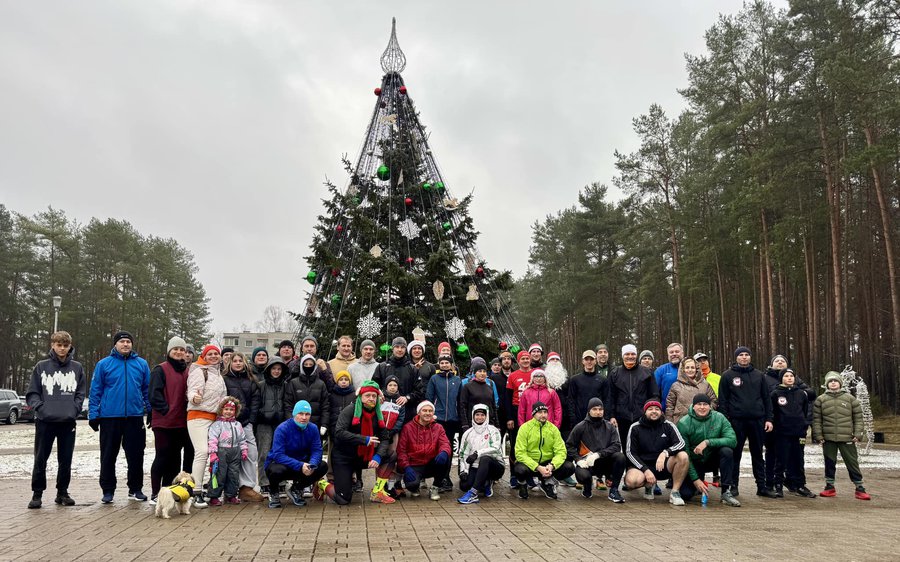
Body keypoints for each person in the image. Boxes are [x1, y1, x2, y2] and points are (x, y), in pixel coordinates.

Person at [89, 330, 151, 504]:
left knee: (136, 455)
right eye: (122, 342)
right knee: (108, 455)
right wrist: (94, 414)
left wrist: (150, 410)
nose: (125, 344)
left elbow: (146, 390)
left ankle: (135, 488)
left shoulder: (141, 364)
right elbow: (96, 391)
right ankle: (108, 490)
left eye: (128, 342)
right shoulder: (104, 364)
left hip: (134, 416)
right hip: (110, 417)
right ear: (115, 344)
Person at [26, 330, 86, 509]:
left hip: (67, 422)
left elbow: (80, 393)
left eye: (65, 345)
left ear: (70, 347)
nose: (62, 348)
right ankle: (37, 493)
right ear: (52, 345)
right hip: (45, 421)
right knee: (40, 458)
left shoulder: (77, 368)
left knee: (65, 459)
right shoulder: (41, 366)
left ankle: (62, 492)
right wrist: (40, 408)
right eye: (59, 345)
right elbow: (33, 392)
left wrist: (74, 409)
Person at [322, 381, 396, 504]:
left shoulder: (378, 414)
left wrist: (378, 456)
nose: (371, 399)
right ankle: (322, 484)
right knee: (343, 499)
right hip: (344, 457)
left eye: (374, 396)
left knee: (391, 455)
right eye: (367, 395)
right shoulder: (349, 410)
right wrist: (364, 439)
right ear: (361, 397)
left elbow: (384, 438)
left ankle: (377, 492)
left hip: (363, 456)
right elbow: (339, 433)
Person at [717, 346, 776, 498]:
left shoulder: (759, 375)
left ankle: (761, 487)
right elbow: (722, 400)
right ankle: (733, 485)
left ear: (750, 357)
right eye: (741, 355)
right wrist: (726, 420)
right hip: (736, 421)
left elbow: (766, 399)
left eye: (746, 355)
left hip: (757, 420)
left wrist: (769, 419)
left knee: (757, 454)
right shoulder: (727, 375)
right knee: (735, 455)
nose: (744, 357)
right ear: (736, 357)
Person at [148, 336, 193, 504]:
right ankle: (155, 492)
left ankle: (169, 491)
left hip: (182, 423)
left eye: (182, 350)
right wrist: (166, 410)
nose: (179, 352)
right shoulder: (160, 369)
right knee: (162, 457)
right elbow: (154, 394)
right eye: (175, 349)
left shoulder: (188, 371)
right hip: (164, 423)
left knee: (175, 460)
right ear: (169, 351)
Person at [675, 394, 740, 506]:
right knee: (686, 494)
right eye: (699, 404)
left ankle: (725, 492)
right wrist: (696, 480)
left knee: (727, 451)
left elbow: (732, 440)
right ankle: (697, 486)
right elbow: (685, 454)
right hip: (695, 462)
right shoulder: (684, 423)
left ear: (710, 406)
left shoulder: (719, 418)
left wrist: (708, 442)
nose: (702, 407)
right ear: (693, 406)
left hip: (712, 459)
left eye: (705, 404)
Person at [812, 371, 869, 500]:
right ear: (827, 384)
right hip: (828, 438)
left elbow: (859, 419)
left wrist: (859, 434)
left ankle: (859, 488)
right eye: (830, 381)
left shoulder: (850, 399)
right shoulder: (820, 400)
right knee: (829, 462)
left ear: (840, 383)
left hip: (847, 438)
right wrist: (818, 435)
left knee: (852, 462)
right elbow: (816, 420)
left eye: (835, 381)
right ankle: (829, 487)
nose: (833, 383)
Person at [265, 400, 330, 508]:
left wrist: (312, 464)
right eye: (301, 414)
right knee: (275, 471)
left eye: (307, 414)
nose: (304, 417)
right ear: (294, 414)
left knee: (322, 466)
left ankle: (297, 489)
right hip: (282, 464)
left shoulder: (313, 428)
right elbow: (278, 454)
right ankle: (273, 492)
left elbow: (317, 450)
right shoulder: (282, 429)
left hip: (303, 464)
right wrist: (300, 465)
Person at [623, 400, 690, 505]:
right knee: (631, 481)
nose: (654, 411)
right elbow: (630, 453)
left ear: (661, 412)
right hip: (643, 467)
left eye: (657, 409)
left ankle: (675, 492)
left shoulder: (669, 425)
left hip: (663, 465)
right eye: (650, 409)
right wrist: (645, 470)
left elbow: (681, 444)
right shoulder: (635, 427)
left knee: (683, 456)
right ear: (645, 412)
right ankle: (649, 486)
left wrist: (665, 453)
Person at [186, 344, 228, 507]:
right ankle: (195, 491)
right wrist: (194, 397)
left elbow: (222, 397)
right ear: (203, 356)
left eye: (216, 354)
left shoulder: (218, 375)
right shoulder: (199, 371)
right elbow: (192, 390)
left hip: (214, 418)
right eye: (209, 354)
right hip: (198, 416)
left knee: (212, 453)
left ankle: (207, 488)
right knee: (202, 451)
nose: (213, 356)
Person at [285, 353, 330, 497]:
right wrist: (290, 422)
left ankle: (306, 484)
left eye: (311, 364)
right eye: (306, 364)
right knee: (297, 453)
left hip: (315, 426)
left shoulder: (321, 384)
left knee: (313, 455)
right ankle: (296, 482)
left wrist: (324, 423)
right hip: (296, 426)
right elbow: (288, 404)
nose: (309, 367)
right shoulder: (294, 383)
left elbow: (325, 406)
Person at [566, 398, 626, 503]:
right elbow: (569, 446)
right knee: (584, 476)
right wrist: (578, 460)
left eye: (600, 409)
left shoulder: (609, 426)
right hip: (587, 464)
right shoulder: (580, 426)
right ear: (589, 410)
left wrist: (598, 454)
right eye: (594, 409)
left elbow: (617, 445)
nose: (598, 412)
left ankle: (614, 490)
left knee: (620, 457)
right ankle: (587, 486)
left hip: (605, 462)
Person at [222, 352, 263, 502]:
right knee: (230, 455)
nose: (238, 363)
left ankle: (247, 487)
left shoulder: (251, 380)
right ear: (230, 363)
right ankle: (230, 488)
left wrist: (250, 420)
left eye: (241, 361)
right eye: (235, 361)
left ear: (245, 363)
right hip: (228, 424)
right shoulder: (224, 379)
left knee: (251, 453)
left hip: (246, 423)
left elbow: (255, 402)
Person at [513, 402, 575, 500]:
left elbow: (561, 451)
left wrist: (552, 465)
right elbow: (520, 453)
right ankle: (522, 484)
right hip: (530, 464)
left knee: (569, 467)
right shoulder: (524, 428)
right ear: (533, 414)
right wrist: (537, 467)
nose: (543, 415)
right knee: (519, 469)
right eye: (540, 412)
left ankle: (548, 483)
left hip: (547, 463)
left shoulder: (553, 429)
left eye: (545, 412)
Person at [771, 369, 816, 498]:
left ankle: (800, 485)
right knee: (781, 459)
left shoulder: (801, 394)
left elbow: (804, 410)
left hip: (799, 432)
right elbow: (773, 413)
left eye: (792, 376)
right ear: (781, 378)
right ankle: (778, 485)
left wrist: (803, 426)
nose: (789, 378)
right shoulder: (775, 394)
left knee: (798, 459)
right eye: (786, 376)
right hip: (782, 432)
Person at [397, 401, 452, 501]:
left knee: (446, 458)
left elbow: (445, 443)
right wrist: (406, 467)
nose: (428, 413)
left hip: (431, 463)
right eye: (424, 410)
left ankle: (435, 487)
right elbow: (401, 451)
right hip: (414, 464)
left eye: (430, 411)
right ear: (419, 412)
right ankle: (415, 488)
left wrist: (444, 452)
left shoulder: (438, 427)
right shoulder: (408, 428)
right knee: (412, 484)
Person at [607, 344, 660, 445]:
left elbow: (654, 395)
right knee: (624, 445)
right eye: (627, 354)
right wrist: (612, 416)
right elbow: (610, 397)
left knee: (643, 445)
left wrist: (650, 412)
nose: (630, 356)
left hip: (642, 417)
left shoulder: (647, 372)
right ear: (623, 356)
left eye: (633, 354)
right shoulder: (615, 373)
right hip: (621, 419)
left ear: (636, 355)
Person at [457, 404, 505, 504]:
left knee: (485, 459)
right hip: (475, 466)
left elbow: (495, 448)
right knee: (464, 485)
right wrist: (464, 470)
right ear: (473, 416)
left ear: (486, 416)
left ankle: (473, 494)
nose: (479, 417)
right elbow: (463, 454)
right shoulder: (468, 433)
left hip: (495, 466)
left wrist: (477, 453)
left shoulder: (493, 430)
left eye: (482, 415)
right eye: (477, 415)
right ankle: (485, 483)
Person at [207, 397, 250, 505]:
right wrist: (213, 453)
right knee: (219, 474)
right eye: (226, 409)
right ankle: (214, 496)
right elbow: (212, 439)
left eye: (231, 410)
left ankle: (231, 495)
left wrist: (244, 450)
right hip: (221, 451)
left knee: (233, 474)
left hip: (235, 452)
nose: (228, 412)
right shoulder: (217, 425)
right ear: (221, 410)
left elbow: (242, 439)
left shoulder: (238, 425)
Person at [255, 357, 288, 495]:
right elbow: (256, 403)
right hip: (264, 424)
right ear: (269, 370)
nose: (276, 371)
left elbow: (288, 403)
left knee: (280, 453)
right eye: (274, 368)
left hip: (280, 424)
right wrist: (261, 415)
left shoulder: (286, 385)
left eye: (279, 369)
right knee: (264, 453)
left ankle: (280, 481)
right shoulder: (261, 385)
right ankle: (264, 482)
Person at [373, 336, 424, 422]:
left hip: (406, 414)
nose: (400, 350)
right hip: (384, 413)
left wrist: (407, 397)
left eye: (402, 347)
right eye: (397, 347)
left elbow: (419, 391)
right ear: (392, 348)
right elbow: (373, 385)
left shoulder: (412, 369)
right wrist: (378, 393)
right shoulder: (382, 367)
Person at [426, 354, 462, 471]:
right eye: (442, 363)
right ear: (439, 364)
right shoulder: (434, 379)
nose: (444, 365)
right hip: (438, 418)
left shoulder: (457, 380)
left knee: (448, 447)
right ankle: (437, 475)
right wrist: (430, 416)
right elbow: (429, 399)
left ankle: (446, 476)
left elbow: (460, 400)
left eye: (447, 363)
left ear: (451, 365)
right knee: (436, 447)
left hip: (452, 419)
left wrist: (459, 417)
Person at [505, 350, 533, 488]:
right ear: (518, 361)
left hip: (532, 412)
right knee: (516, 444)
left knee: (531, 444)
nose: (526, 361)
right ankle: (514, 475)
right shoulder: (513, 376)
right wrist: (510, 417)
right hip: (517, 410)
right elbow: (508, 398)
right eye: (523, 359)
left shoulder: (535, 374)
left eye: (527, 358)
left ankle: (529, 475)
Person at [665, 357, 717, 424]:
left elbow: (714, 401)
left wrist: (705, 411)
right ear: (683, 369)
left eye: (692, 367)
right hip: (681, 423)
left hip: (703, 423)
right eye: (687, 367)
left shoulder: (705, 384)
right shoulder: (676, 386)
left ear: (696, 369)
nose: (690, 370)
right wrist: (670, 424)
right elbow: (669, 406)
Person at [567, 350, 610, 427]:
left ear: (595, 361)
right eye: (586, 359)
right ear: (583, 361)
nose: (589, 362)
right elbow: (571, 400)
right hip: (579, 420)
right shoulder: (575, 379)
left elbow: (606, 400)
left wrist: (605, 418)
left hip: (598, 419)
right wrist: (572, 419)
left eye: (591, 359)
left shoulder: (602, 380)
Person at [381, 375, 407, 497]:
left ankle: (391, 484)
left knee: (392, 456)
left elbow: (401, 418)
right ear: (386, 386)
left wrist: (393, 431)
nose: (392, 387)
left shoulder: (400, 401)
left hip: (394, 433)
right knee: (381, 456)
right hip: (380, 432)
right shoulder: (381, 399)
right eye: (390, 385)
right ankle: (380, 484)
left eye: (395, 385)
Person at [458, 357, 498, 430]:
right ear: (475, 373)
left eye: (484, 371)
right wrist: (465, 424)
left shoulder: (489, 387)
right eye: (479, 371)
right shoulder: (467, 386)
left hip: (488, 423)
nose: (482, 373)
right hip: (472, 424)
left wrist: (496, 424)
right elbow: (463, 406)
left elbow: (493, 407)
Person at [654, 342, 683, 410]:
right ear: (668, 354)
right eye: (671, 352)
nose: (674, 354)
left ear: (682, 353)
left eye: (677, 351)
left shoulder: (690, 368)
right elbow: (654, 393)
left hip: (687, 411)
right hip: (667, 410)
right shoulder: (661, 370)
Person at [488, 357, 509, 433]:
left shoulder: (505, 378)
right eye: (495, 365)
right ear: (491, 367)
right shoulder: (487, 378)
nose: (497, 367)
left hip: (503, 409)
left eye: (499, 365)